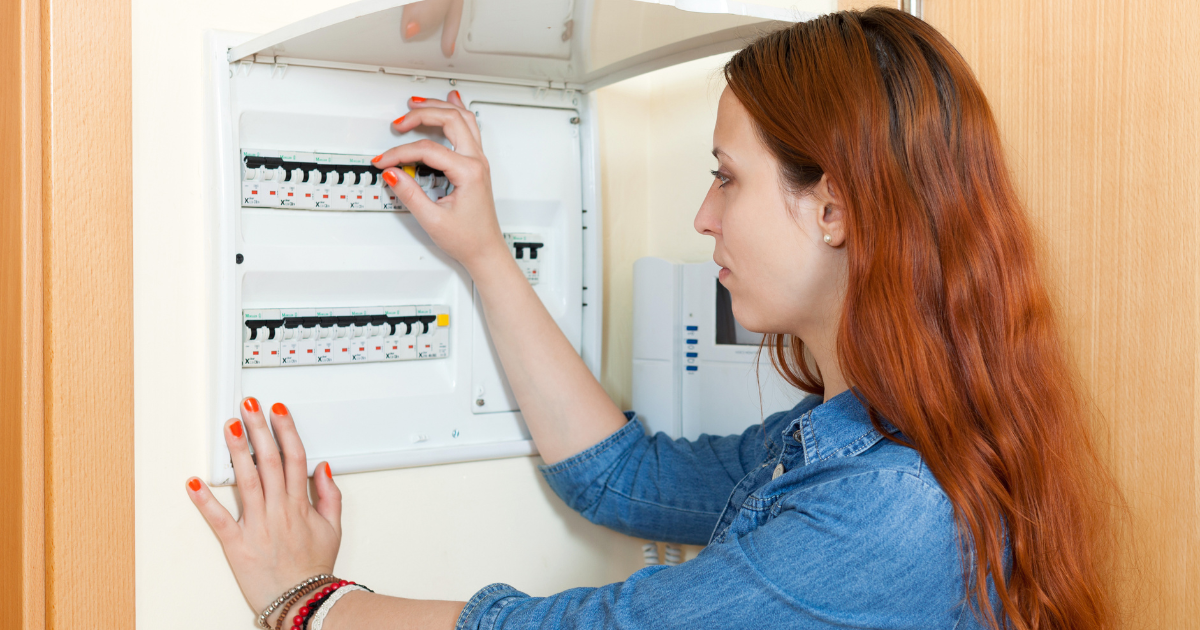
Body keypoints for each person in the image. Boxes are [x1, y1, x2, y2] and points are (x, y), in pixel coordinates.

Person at [186, 8, 1114, 630]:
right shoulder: (853, 441)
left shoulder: (888, 511)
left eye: (725, 175)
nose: (703, 217)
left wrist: (302, 600)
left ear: (833, 207)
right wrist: (484, 255)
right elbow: (622, 479)